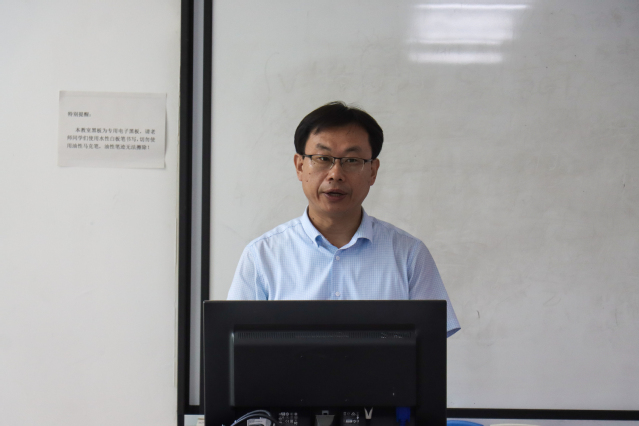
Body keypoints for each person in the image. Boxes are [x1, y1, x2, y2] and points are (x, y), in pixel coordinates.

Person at [227, 101, 460, 337]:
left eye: (352, 161)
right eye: (322, 158)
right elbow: (237, 347)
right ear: (299, 166)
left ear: (373, 171)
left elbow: (430, 348)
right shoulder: (262, 256)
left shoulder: (409, 255)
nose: (336, 174)